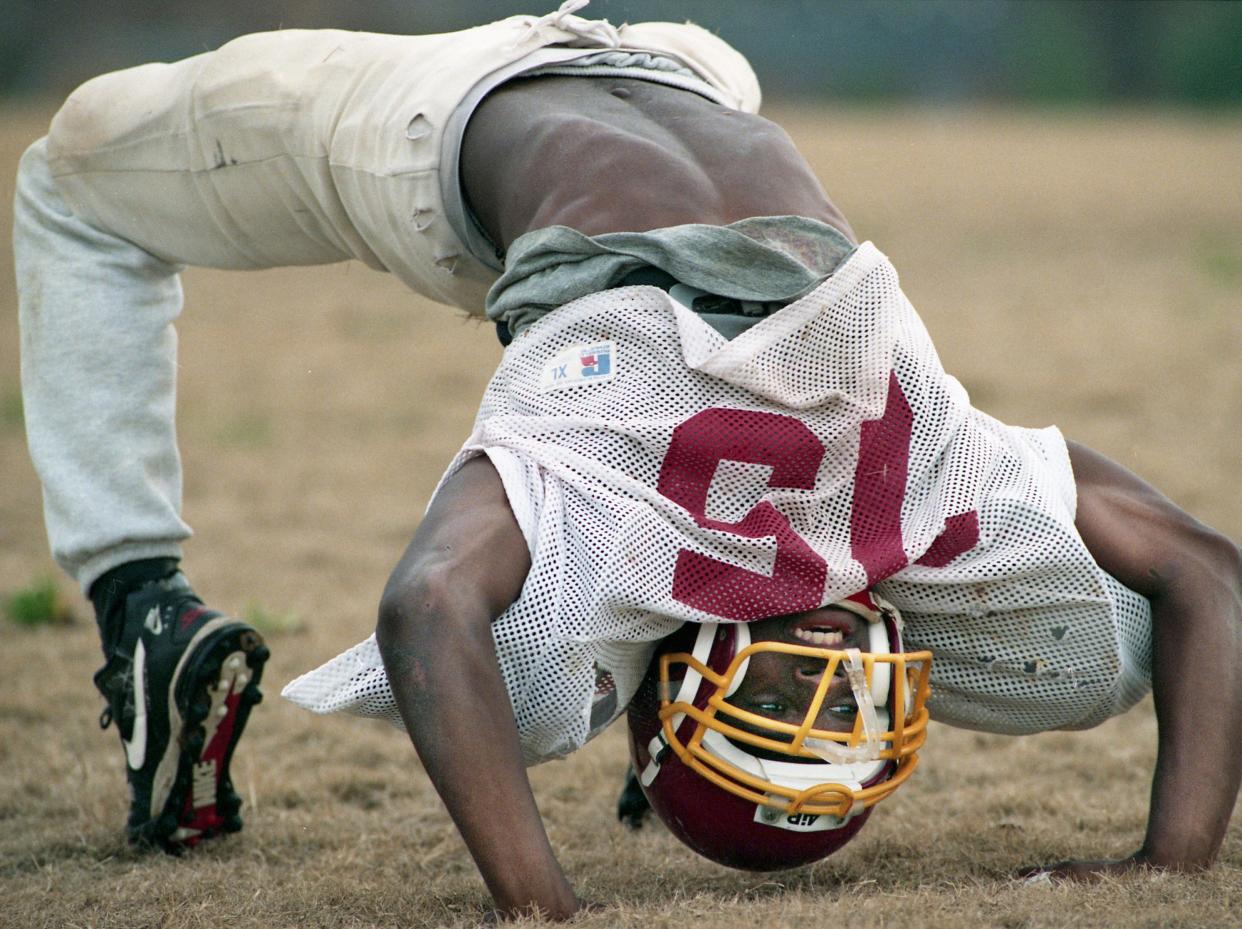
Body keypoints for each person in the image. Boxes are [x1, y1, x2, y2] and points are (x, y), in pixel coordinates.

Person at [13, 1, 1241, 921]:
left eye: (761, 705)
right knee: (69, 181)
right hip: (434, 116)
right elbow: (424, 604)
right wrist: (537, 900)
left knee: (1093, 641)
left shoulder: (923, 460)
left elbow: (1210, 573)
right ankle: (138, 599)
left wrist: (1175, 856)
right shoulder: (609, 461)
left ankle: (138, 590)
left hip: (703, 75)